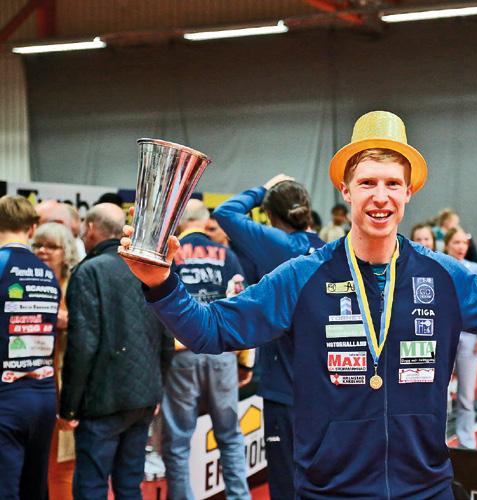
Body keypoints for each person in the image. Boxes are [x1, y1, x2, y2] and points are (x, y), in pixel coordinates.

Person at [120, 110, 477, 498]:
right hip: (329, 490)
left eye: (392, 184)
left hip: (424, 488)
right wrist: (161, 283)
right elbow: (211, 330)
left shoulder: (443, 276)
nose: (380, 196)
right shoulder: (303, 275)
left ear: (409, 193)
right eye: (367, 183)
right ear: (346, 190)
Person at [213, 175, 324, 499]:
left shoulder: (281, 246)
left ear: (271, 216)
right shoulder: (326, 249)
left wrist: (263, 188)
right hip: (325, 388)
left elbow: (225, 213)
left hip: (286, 388)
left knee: (286, 483)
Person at [59, 203, 173, 499]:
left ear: (91, 229)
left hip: (102, 400)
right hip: (143, 397)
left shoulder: (89, 271)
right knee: (129, 485)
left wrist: (69, 407)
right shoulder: (148, 268)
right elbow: (167, 334)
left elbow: (82, 343)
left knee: (92, 486)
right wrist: (157, 390)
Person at [162, 199, 250, 500]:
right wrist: (245, 361)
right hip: (221, 351)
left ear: (178, 221)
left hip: (181, 353)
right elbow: (243, 305)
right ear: (205, 220)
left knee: (177, 440)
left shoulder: (170, 253)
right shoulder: (227, 254)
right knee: (230, 436)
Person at [0, 196, 60, 500]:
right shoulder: (47, 273)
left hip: (6, 394)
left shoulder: (2, 264)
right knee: (35, 487)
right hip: (44, 395)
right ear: (32, 228)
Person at [32, 223, 80, 500]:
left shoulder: (76, 283)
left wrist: (68, 320)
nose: (42, 251)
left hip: (66, 379)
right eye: (38, 245)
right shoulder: (28, 280)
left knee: (64, 460)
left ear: (66, 252)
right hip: (32, 380)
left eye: (51, 246)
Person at [444, 227, 477, 448]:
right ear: (447, 245)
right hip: (443, 337)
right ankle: (437, 441)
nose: (461, 247)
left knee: (466, 396)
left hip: (470, 338)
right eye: (456, 242)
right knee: (439, 394)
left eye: (464, 243)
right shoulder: (437, 264)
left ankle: (467, 443)